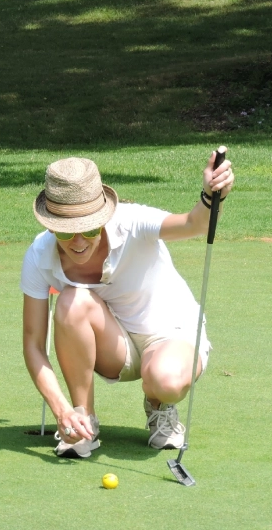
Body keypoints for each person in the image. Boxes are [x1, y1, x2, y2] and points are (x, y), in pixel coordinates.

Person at [20, 152, 234, 458]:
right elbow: (33, 345)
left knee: (166, 380)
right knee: (71, 300)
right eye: (67, 231)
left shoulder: (132, 221)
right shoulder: (39, 256)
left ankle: (159, 405)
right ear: (51, 226)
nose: (78, 241)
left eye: (90, 229)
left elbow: (193, 224)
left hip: (170, 333)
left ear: (104, 217)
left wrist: (212, 196)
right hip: (114, 346)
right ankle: (83, 422)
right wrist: (61, 409)